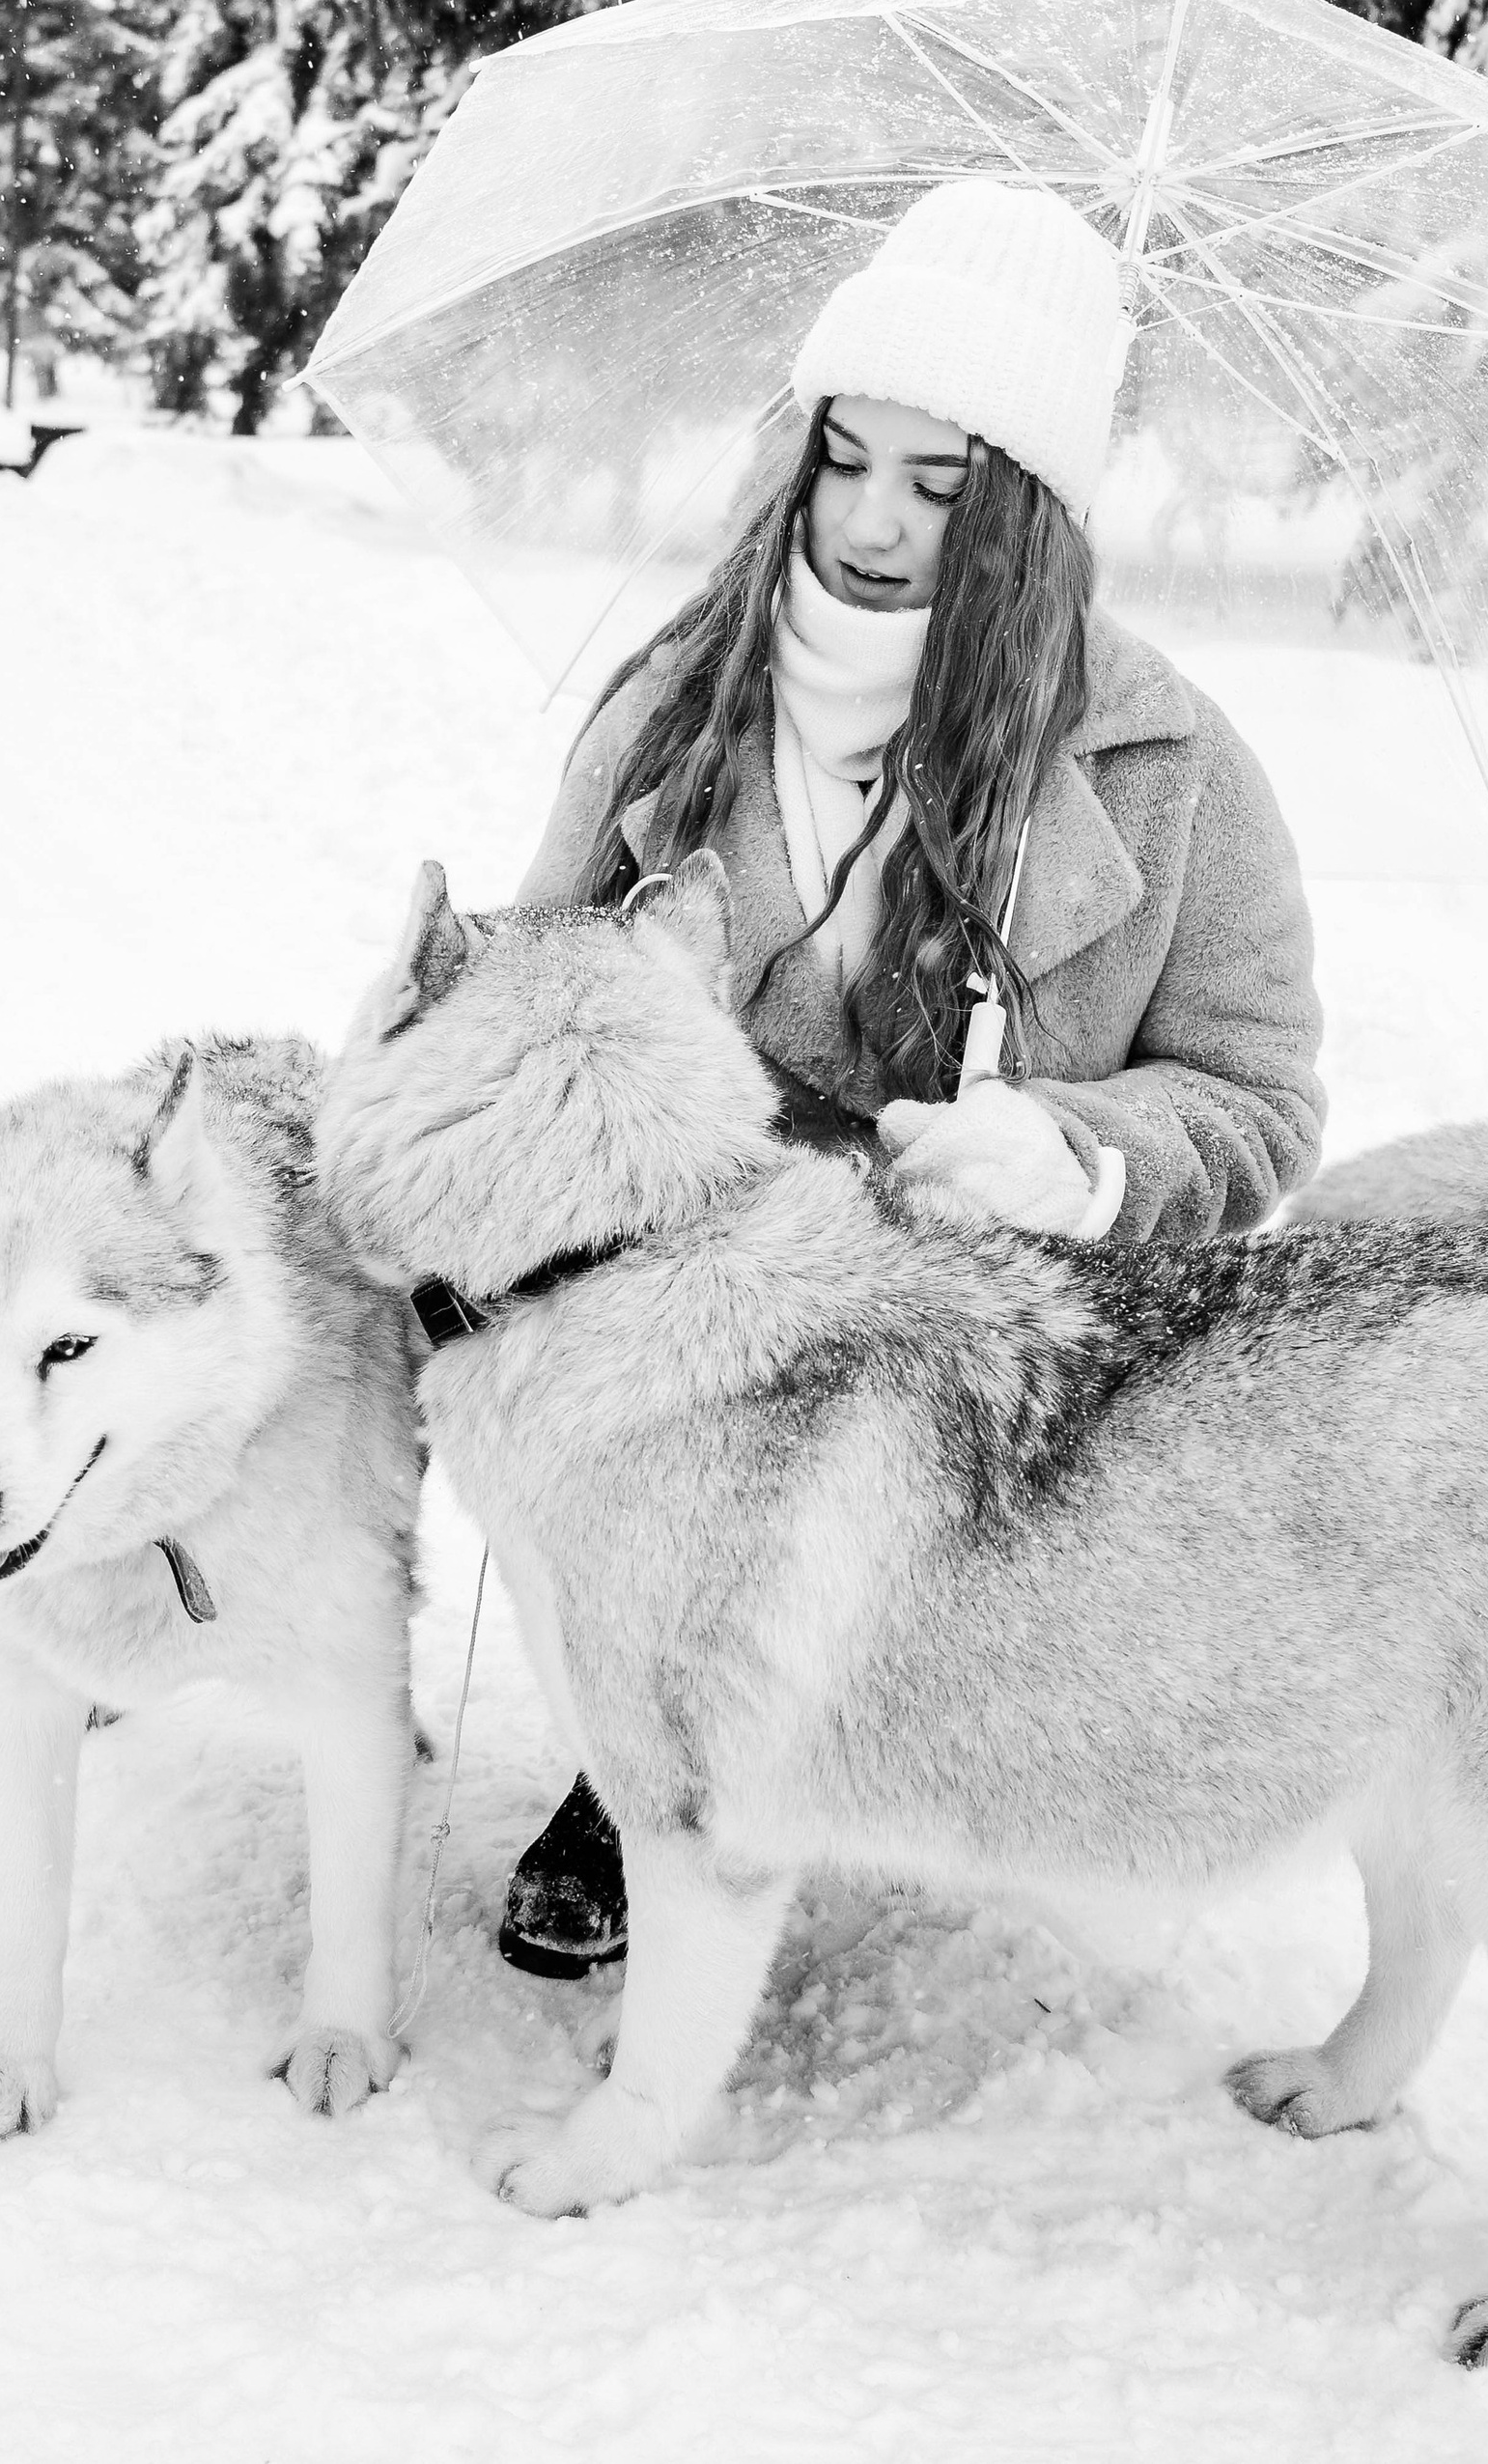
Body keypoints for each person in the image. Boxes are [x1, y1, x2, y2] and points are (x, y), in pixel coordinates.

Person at [493, 178, 1326, 1977]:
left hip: (985, 1339)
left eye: (941, 486)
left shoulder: (1173, 763)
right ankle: (629, 1756)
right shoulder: (672, 702)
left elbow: (1261, 1103)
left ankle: (929, 1724)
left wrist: (1079, 1158)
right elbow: (528, 990)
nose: (873, 523)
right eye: (846, 460)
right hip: (694, 1313)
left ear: (1026, 512)